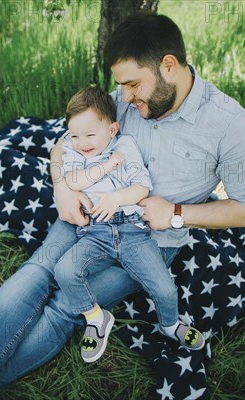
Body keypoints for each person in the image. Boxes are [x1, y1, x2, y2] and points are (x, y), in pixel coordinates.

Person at [0, 11, 245, 400]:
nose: (125, 97)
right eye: (121, 86)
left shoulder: (229, 124)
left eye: (132, 85)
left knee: (64, 306)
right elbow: (64, 145)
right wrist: (62, 187)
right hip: (88, 218)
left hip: (147, 240)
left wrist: (177, 214)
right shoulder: (125, 101)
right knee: (40, 268)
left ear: (169, 66)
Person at [55, 86, 204, 364]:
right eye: (74, 135)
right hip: (96, 233)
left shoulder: (125, 146)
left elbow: (141, 189)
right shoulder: (75, 152)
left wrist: (116, 198)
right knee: (64, 270)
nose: (82, 142)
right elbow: (73, 181)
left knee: (164, 288)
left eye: (89, 135)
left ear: (112, 130)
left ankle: (170, 324)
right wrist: (107, 165)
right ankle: (96, 318)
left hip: (132, 231)